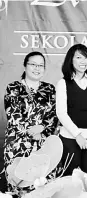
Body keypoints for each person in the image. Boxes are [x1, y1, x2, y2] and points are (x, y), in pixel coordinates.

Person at [4, 51, 58, 193]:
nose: (37, 68)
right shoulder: (13, 88)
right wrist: (31, 131)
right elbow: (13, 114)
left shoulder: (50, 89)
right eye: (33, 64)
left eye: (41, 65)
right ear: (25, 66)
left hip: (42, 144)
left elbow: (53, 114)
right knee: (18, 185)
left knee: (42, 187)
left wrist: (42, 128)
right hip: (18, 144)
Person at [56, 44, 87, 178]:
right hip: (70, 138)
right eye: (78, 57)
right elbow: (61, 113)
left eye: (86, 58)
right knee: (71, 178)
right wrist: (77, 135)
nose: (83, 61)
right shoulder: (63, 83)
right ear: (70, 60)